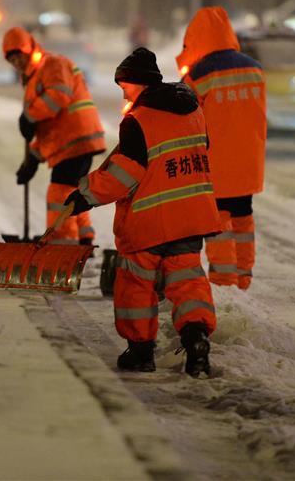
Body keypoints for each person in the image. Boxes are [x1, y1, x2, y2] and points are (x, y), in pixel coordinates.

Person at [63, 48, 221, 377]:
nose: (124, 94)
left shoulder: (138, 120)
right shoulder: (193, 110)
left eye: (125, 87)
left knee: (136, 283)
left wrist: (86, 196)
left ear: (138, 82)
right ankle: (197, 337)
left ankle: (140, 351)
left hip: (150, 221)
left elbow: (125, 175)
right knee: (188, 282)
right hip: (190, 217)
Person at [176, 7, 266, 291]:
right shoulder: (255, 68)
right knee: (243, 216)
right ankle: (244, 273)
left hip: (215, 161)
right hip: (249, 158)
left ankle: (223, 277)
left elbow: (184, 115)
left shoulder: (200, 73)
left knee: (218, 218)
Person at [2, 26, 106, 244]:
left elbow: (58, 97)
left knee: (60, 193)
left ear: (28, 49)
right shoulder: (34, 76)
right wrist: (33, 158)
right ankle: (84, 238)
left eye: (18, 55)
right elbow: (51, 125)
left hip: (76, 138)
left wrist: (30, 115)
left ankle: (62, 245)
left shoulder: (52, 64)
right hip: (71, 139)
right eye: (11, 59)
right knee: (73, 193)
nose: (16, 62)